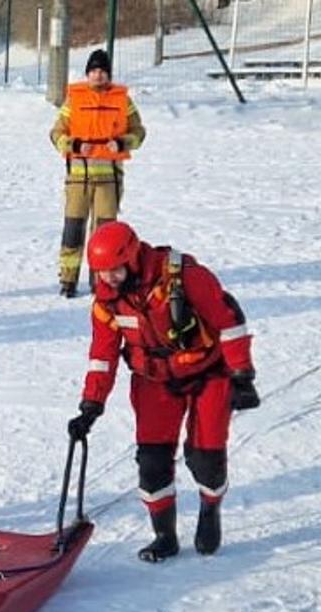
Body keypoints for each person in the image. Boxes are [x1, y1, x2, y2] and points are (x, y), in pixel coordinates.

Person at [66, 222, 257, 563]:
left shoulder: (184, 277)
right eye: (100, 273)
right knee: (152, 462)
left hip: (208, 374)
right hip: (153, 380)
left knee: (206, 458)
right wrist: (91, 404)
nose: (107, 279)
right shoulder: (107, 301)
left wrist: (242, 375)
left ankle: (210, 508)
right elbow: (102, 354)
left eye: (113, 270)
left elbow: (229, 322)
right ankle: (164, 535)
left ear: (132, 257)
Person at [51, 49, 146, 299]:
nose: (97, 75)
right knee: (73, 229)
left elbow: (139, 132)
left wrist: (124, 142)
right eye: (93, 70)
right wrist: (75, 145)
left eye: (102, 71)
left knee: (105, 233)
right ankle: (68, 278)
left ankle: (101, 279)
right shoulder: (74, 100)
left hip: (109, 182)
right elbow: (56, 133)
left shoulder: (123, 100)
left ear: (108, 74)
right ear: (87, 73)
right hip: (78, 180)